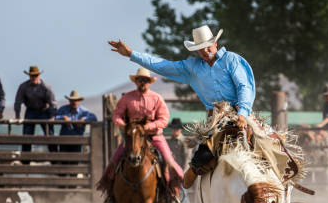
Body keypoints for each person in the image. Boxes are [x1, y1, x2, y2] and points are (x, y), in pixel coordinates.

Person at [108, 24, 256, 187]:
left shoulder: (231, 60)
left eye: (207, 47)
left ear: (215, 43)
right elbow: (162, 65)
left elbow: (244, 87)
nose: (205, 52)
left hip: (240, 115)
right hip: (216, 121)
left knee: (267, 146)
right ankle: (189, 175)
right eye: (200, 49)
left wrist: (242, 113)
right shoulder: (192, 68)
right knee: (203, 157)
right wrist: (131, 54)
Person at [99, 67, 184, 203]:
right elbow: (117, 115)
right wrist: (124, 125)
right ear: (136, 82)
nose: (142, 82)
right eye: (140, 80)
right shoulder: (127, 98)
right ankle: (110, 195)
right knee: (114, 160)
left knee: (169, 161)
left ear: (149, 82)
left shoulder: (157, 98)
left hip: (154, 136)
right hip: (133, 137)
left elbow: (164, 118)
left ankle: (173, 194)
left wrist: (150, 126)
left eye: (145, 80)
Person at [14, 65, 57, 157]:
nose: (34, 77)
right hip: (30, 111)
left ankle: (55, 159)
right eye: (32, 76)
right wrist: (17, 116)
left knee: (50, 135)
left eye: (36, 75)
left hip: (44, 111)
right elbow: (18, 102)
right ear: (29, 76)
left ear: (39, 75)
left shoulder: (46, 87)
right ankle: (26, 161)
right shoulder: (23, 87)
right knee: (27, 136)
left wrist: (52, 116)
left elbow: (53, 103)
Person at [55, 90, 97, 158]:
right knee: (63, 160)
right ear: (69, 101)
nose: (74, 102)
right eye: (72, 100)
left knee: (76, 160)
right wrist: (63, 118)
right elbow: (55, 117)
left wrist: (84, 120)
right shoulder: (63, 109)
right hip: (64, 139)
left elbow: (94, 117)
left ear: (79, 101)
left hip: (77, 140)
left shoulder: (83, 111)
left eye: (76, 100)